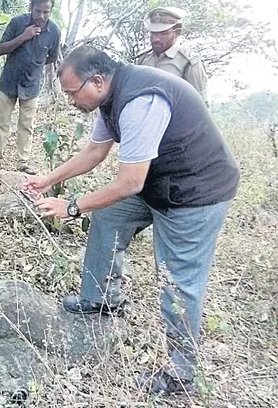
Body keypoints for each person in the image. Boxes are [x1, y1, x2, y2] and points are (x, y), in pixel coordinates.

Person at [22, 45, 239, 394]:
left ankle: (183, 375)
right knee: (108, 215)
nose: (70, 101)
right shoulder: (110, 97)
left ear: (95, 81)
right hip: (159, 181)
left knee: (177, 280)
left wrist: (73, 206)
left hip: (196, 192)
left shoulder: (141, 101)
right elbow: (94, 151)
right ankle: (101, 299)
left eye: (71, 93)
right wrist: (47, 179)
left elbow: (129, 182)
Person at [0, 0, 61, 175]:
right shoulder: (17, 22)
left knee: (26, 125)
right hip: (9, 81)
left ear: (50, 11)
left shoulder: (54, 31)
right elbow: (1, 49)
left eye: (46, 12)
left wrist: (35, 66)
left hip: (32, 85)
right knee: (2, 122)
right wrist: (24, 36)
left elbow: (52, 57)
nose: (41, 16)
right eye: (38, 11)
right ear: (31, 8)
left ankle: (22, 163)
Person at [138, 7, 209, 105]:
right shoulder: (144, 58)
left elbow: (200, 106)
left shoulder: (189, 63)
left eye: (163, 33)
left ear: (177, 32)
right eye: (153, 33)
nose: (156, 39)